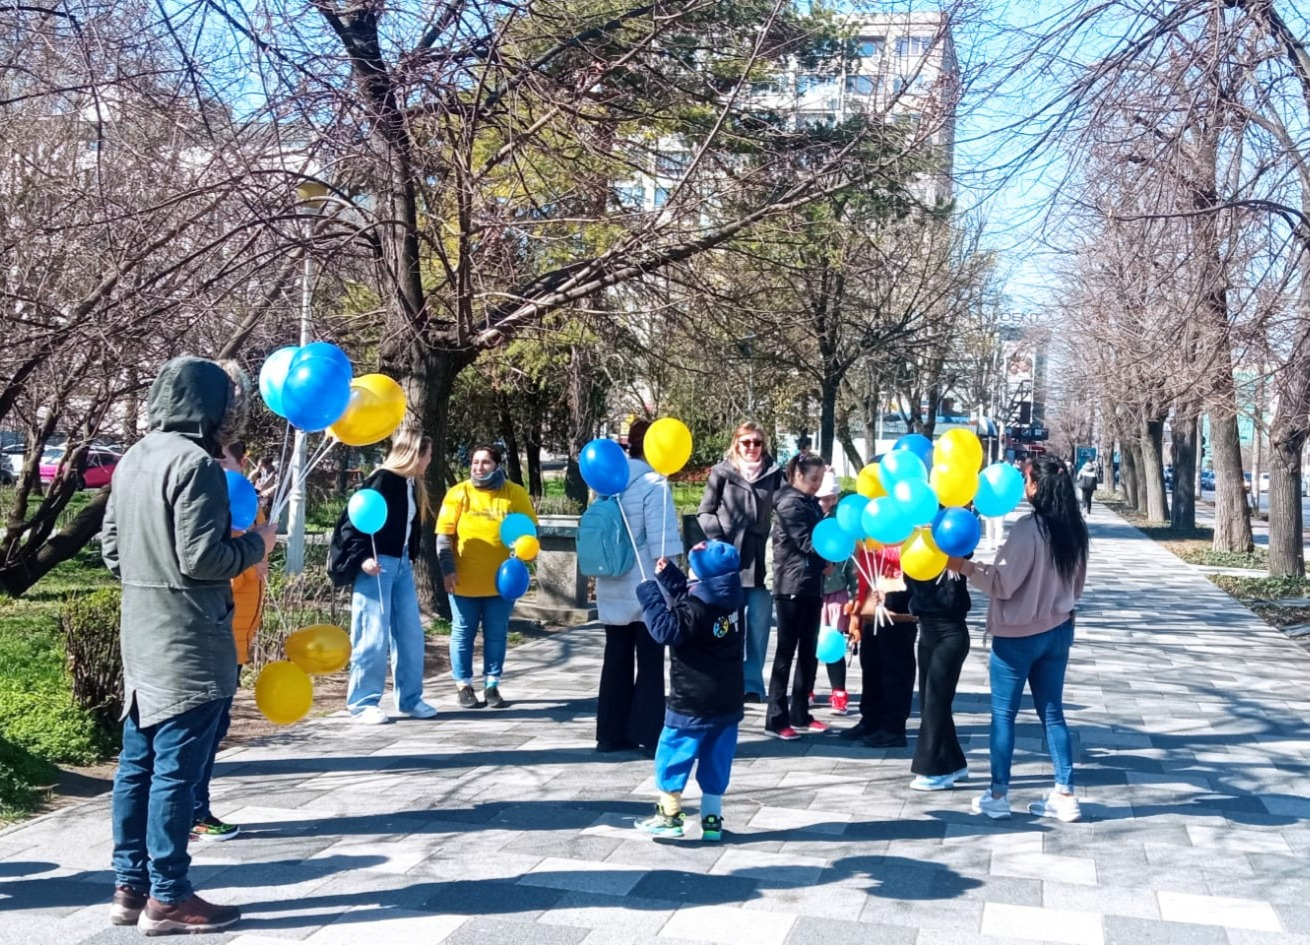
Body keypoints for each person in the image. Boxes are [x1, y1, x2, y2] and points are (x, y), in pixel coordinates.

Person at [102, 356, 277, 935]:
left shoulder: (134, 457)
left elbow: (111, 553)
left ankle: (129, 888)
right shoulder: (197, 464)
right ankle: (169, 897)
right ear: (212, 407)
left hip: (141, 637)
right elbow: (203, 559)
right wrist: (256, 543)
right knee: (175, 773)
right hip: (191, 642)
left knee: (136, 766)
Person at [947, 456, 1089, 822]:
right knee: (1053, 714)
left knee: (1003, 715)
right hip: (1059, 630)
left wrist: (964, 566)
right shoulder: (1075, 529)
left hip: (1018, 636)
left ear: (1038, 487)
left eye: (1027, 480)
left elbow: (1003, 583)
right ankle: (1065, 793)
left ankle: (998, 794)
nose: (1024, 486)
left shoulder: (1030, 529)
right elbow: (1077, 587)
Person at [633, 541, 744, 840]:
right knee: (717, 759)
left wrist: (650, 594)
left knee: (673, 754)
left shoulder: (696, 608)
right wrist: (672, 578)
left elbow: (667, 629)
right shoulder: (732, 597)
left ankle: (669, 816)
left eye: (692, 568)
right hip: (727, 699)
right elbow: (698, 600)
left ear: (702, 576)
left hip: (692, 699)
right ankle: (712, 819)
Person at [190, 440, 271, 843]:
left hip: (236, 635)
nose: (216, 469)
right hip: (218, 634)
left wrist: (259, 554)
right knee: (203, 730)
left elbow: (256, 565)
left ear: (242, 462)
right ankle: (194, 811)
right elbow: (218, 573)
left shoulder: (246, 503)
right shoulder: (211, 509)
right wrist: (251, 556)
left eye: (223, 460)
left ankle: (193, 808)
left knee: (216, 727)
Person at [333, 427, 439, 724]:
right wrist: (363, 558)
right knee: (371, 634)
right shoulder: (382, 480)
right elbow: (353, 521)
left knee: (410, 634)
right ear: (415, 454)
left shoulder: (412, 484)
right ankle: (363, 702)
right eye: (428, 455)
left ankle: (410, 699)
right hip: (377, 565)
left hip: (402, 564)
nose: (430, 460)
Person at [594, 419, 682, 754]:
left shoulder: (606, 483)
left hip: (611, 580)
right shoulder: (653, 484)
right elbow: (663, 545)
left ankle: (609, 733)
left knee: (615, 659)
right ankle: (647, 732)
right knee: (650, 662)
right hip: (647, 585)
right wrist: (674, 587)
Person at [436, 443, 537, 709]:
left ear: (497, 465)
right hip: (463, 581)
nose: (479, 468)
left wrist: (525, 557)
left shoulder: (514, 493)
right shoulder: (458, 493)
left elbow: (529, 533)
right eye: (475, 462)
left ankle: (492, 685)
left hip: (502, 583)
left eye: (485, 462)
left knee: (496, 634)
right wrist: (447, 570)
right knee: (463, 633)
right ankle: (463, 686)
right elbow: (444, 537)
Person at [696, 422, 783, 703]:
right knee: (726, 624)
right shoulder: (721, 472)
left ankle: (752, 684)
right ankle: (725, 680)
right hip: (728, 559)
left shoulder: (774, 474)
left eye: (757, 442)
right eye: (746, 442)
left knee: (758, 625)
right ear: (736, 443)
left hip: (759, 559)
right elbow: (705, 512)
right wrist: (719, 541)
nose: (752, 448)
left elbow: (785, 507)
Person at [766, 452, 830, 740]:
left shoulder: (810, 502)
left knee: (808, 651)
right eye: (814, 478)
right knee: (786, 652)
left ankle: (801, 712)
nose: (818, 484)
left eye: (821, 478)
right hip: (791, 585)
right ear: (798, 475)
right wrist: (828, 553)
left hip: (810, 583)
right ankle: (776, 717)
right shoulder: (790, 503)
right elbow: (806, 542)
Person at [843, 543, 918, 748]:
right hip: (871, 602)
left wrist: (891, 596)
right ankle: (870, 719)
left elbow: (912, 571)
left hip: (897, 609)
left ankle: (893, 727)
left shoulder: (908, 535)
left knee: (895, 669)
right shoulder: (869, 538)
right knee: (871, 664)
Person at [903, 566, 971, 790]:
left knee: (935, 701)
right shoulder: (915, 554)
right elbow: (909, 590)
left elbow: (965, 553)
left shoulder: (950, 557)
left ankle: (935, 770)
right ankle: (954, 762)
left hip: (950, 633)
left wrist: (949, 557)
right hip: (927, 631)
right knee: (928, 702)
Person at [817, 469, 855, 715]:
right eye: (824, 498)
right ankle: (805, 688)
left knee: (835, 643)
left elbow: (852, 562)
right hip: (811, 592)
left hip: (836, 592)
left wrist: (856, 594)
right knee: (808, 643)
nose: (829, 503)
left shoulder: (842, 524)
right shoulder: (806, 517)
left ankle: (839, 691)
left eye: (833, 497)